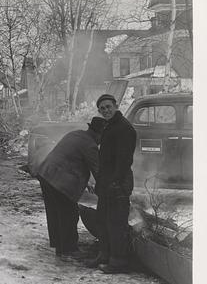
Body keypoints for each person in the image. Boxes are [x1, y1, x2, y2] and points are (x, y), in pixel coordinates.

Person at [36, 117, 106, 259]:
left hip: (46, 173)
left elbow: (69, 158)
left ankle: (59, 246)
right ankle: (69, 249)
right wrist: (106, 189)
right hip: (59, 179)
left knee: (55, 212)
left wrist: (86, 182)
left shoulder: (76, 134)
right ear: (99, 134)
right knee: (69, 212)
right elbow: (98, 171)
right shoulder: (90, 145)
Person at [88, 93, 137, 273]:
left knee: (116, 223)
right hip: (107, 182)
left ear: (116, 106)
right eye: (102, 109)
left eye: (108, 107)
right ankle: (105, 255)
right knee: (103, 221)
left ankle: (118, 262)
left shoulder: (124, 128)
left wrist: (115, 182)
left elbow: (124, 160)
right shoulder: (110, 126)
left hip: (118, 183)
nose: (106, 110)